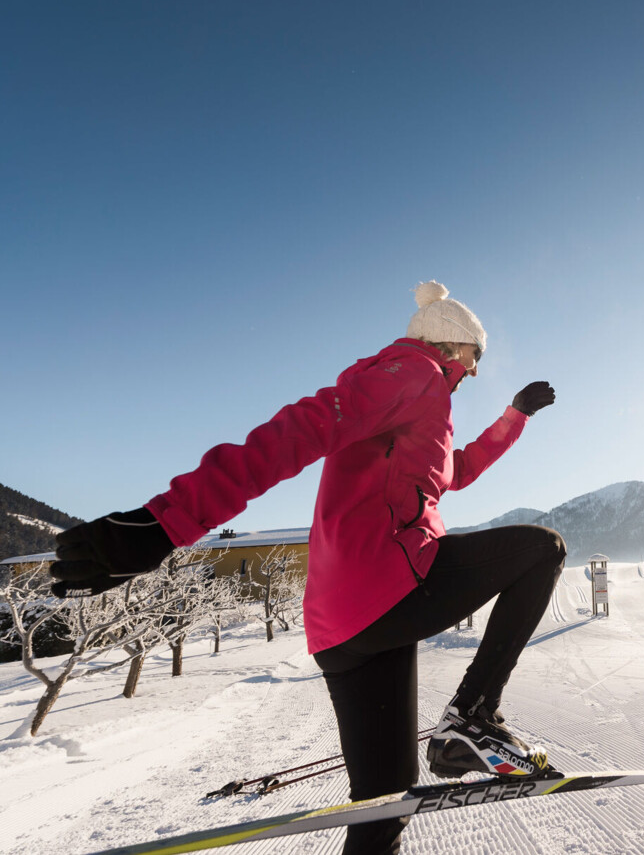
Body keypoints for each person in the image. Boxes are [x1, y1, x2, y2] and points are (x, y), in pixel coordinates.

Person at [51, 281, 566, 855]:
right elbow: (302, 429)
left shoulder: (420, 400)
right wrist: (167, 522)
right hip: (388, 583)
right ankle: (472, 715)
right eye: (476, 355)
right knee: (542, 549)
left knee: (384, 807)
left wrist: (514, 417)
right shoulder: (412, 372)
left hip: (342, 626)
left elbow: (455, 471)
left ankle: (458, 735)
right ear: (452, 343)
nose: (475, 370)